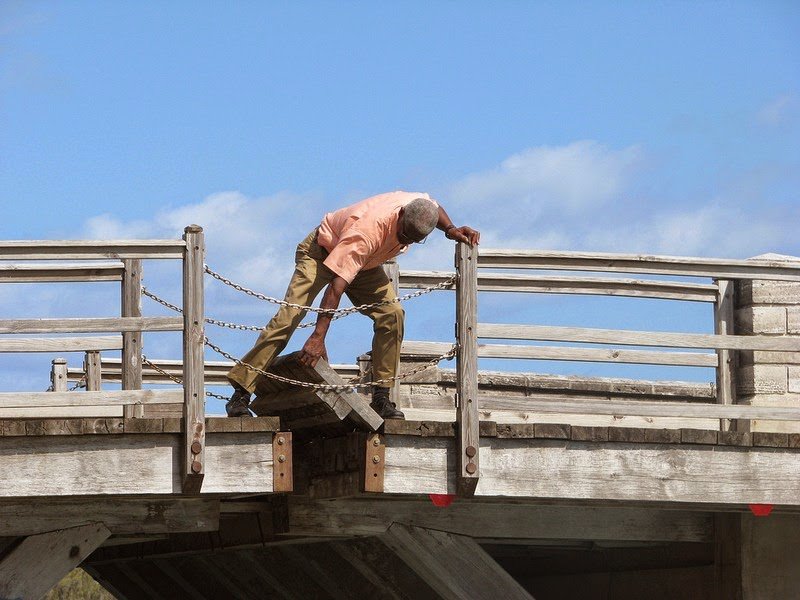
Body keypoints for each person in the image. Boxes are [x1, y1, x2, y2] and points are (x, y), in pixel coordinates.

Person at [225, 190, 480, 419]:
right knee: (289, 317)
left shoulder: (417, 204)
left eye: (412, 240)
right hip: (320, 252)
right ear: (400, 215)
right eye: (403, 234)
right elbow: (336, 287)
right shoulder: (367, 232)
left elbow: (434, 205)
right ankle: (241, 392)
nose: (405, 241)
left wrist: (451, 230)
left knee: (392, 315)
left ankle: (381, 397)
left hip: (365, 264)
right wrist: (318, 337)